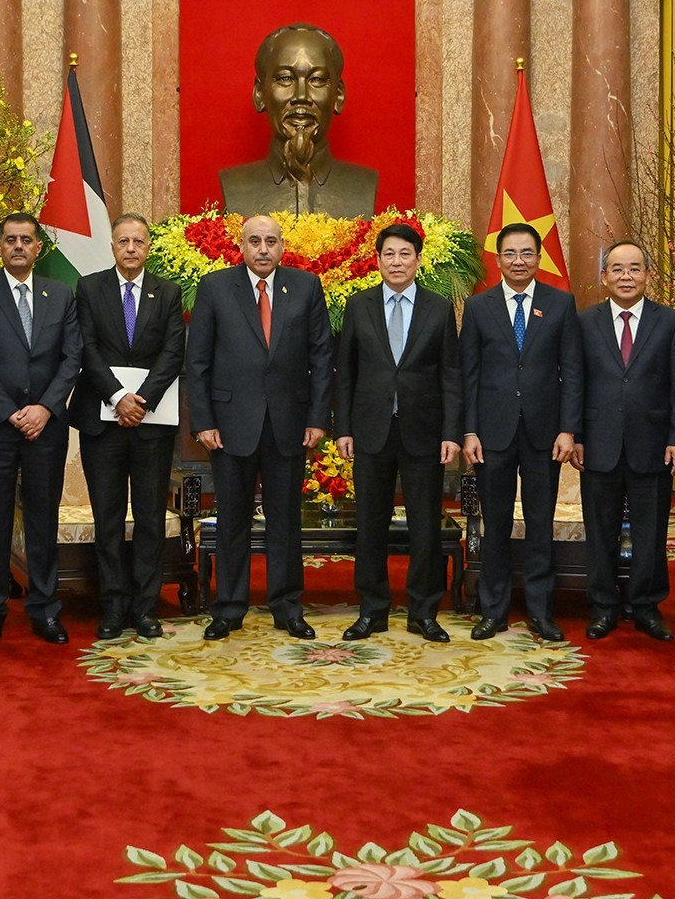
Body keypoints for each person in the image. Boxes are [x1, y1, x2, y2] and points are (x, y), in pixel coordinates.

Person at [185, 214, 333, 640]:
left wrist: (318, 418)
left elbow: (322, 358)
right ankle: (229, 608)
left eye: (271, 241)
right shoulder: (215, 288)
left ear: (283, 246)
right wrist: (204, 422)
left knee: (285, 520)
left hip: (289, 424)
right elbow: (197, 363)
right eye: (255, 241)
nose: (263, 249)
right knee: (232, 519)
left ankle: (287, 606)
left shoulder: (305, 286)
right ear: (242, 246)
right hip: (230, 426)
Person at [333, 222, 462, 643]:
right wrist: (343, 428)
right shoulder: (359, 305)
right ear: (378, 260)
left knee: (425, 524)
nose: (397, 261)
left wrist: (451, 432)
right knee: (371, 523)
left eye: (405, 254)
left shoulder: (439, 308)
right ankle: (372, 609)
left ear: (418, 260)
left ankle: (424, 611)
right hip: (370, 431)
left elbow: (450, 375)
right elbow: (345, 374)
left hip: (424, 432)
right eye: (389, 254)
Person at [0, 212, 84, 648]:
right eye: (10, 239)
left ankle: (45, 609)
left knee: (41, 520)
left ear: (38, 248)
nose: (18, 246)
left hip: (45, 429)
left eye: (26, 240)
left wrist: (45, 409)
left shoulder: (61, 294)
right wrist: (9, 412)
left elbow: (72, 358)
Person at [460, 222, 584, 642]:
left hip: (544, 435)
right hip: (491, 434)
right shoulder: (479, 307)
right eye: (510, 254)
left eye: (527, 253)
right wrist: (469, 430)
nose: (518, 261)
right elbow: (469, 375)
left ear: (539, 258)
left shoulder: (561, 304)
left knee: (539, 524)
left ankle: (540, 611)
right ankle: (492, 610)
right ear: (498, 260)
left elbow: (572, 370)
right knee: (494, 524)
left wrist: (569, 429)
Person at [71, 213, 188, 641]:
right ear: (113, 246)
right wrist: (118, 396)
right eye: (124, 241)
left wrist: (143, 401)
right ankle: (113, 606)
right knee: (108, 517)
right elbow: (85, 347)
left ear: (149, 247)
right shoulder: (89, 288)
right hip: (102, 423)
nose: (131, 249)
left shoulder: (168, 292)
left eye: (139, 242)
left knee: (150, 519)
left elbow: (173, 351)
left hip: (151, 425)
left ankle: (144, 607)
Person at [577, 240, 675, 642]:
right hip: (598, 443)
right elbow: (576, 383)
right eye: (618, 269)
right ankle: (604, 606)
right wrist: (575, 435)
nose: (626, 276)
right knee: (601, 531)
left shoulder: (672, 322)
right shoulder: (585, 321)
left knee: (651, 533)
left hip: (654, 443)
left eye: (635, 268)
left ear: (647, 274)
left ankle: (646, 606)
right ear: (604, 277)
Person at [218, 24, 378, 217]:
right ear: (260, 94)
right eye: (285, 79)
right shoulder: (235, 185)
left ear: (338, 95)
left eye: (316, 80)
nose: (301, 96)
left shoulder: (363, 185)